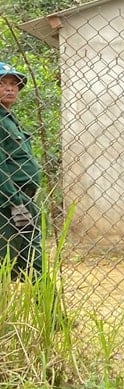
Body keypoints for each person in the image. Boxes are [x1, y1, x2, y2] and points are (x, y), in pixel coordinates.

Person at [0, 62, 42, 281]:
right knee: (14, 259)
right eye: (2, 83)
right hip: (9, 205)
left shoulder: (9, 120)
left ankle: (45, 310)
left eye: (14, 84)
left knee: (27, 258)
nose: (10, 88)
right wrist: (15, 201)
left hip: (21, 200)